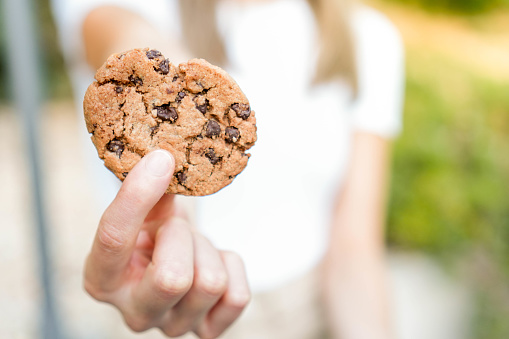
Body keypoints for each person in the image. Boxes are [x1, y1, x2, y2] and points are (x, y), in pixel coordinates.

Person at [50, 0, 405, 338]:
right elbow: (126, 38)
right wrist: (176, 202)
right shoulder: (139, 7)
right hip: (164, 305)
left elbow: (354, 246)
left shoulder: (368, 39)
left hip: (304, 311)